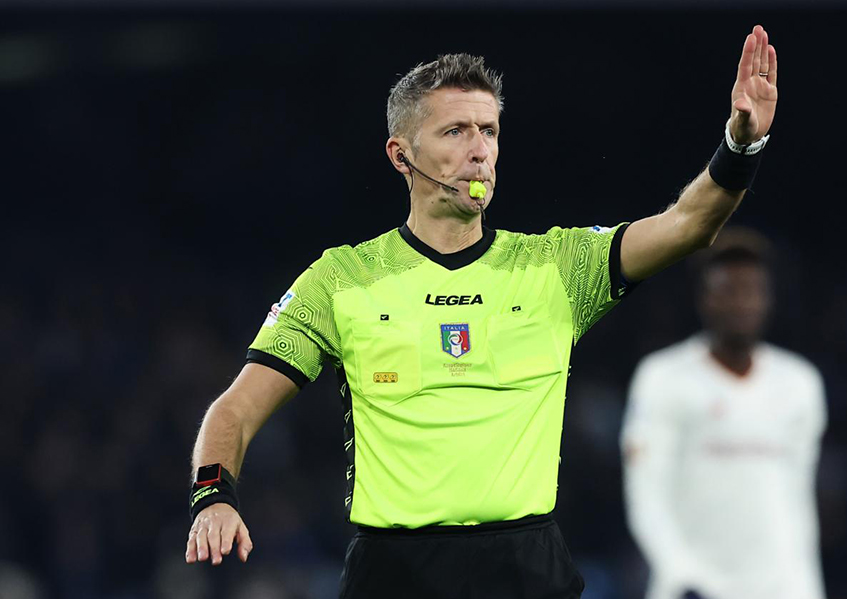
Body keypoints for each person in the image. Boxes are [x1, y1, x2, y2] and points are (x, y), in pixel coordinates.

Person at [184, 24, 780, 599]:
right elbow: (234, 409)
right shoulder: (342, 280)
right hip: (393, 574)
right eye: (455, 132)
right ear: (401, 154)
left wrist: (741, 146)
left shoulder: (556, 267)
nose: (479, 151)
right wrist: (213, 496)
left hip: (529, 570)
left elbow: (689, 224)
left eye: (489, 131)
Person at [620, 228, 826, 599]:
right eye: (729, 290)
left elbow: (798, 497)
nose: (742, 302)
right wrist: (682, 575)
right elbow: (646, 494)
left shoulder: (799, 383)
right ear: (705, 299)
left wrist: (806, 587)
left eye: (753, 290)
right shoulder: (663, 378)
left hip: (781, 587)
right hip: (694, 589)